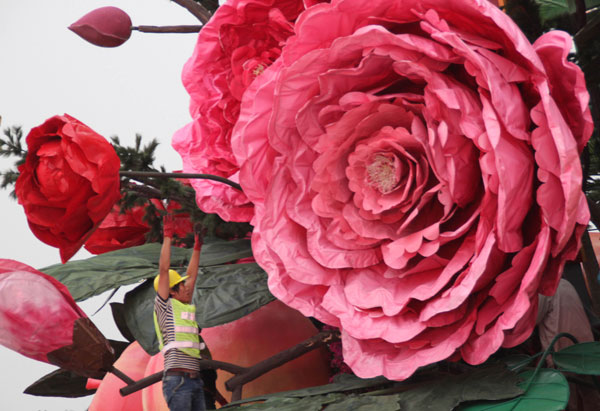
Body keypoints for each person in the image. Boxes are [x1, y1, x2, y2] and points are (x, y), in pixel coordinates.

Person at [154, 214, 206, 411]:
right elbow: (164, 269)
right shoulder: (165, 307)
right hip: (178, 381)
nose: (187, 287)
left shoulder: (183, 305)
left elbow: (191, 275)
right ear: (172, 291)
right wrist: (167, 236)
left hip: (194, 381)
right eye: (182, 286)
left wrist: (198, 247)